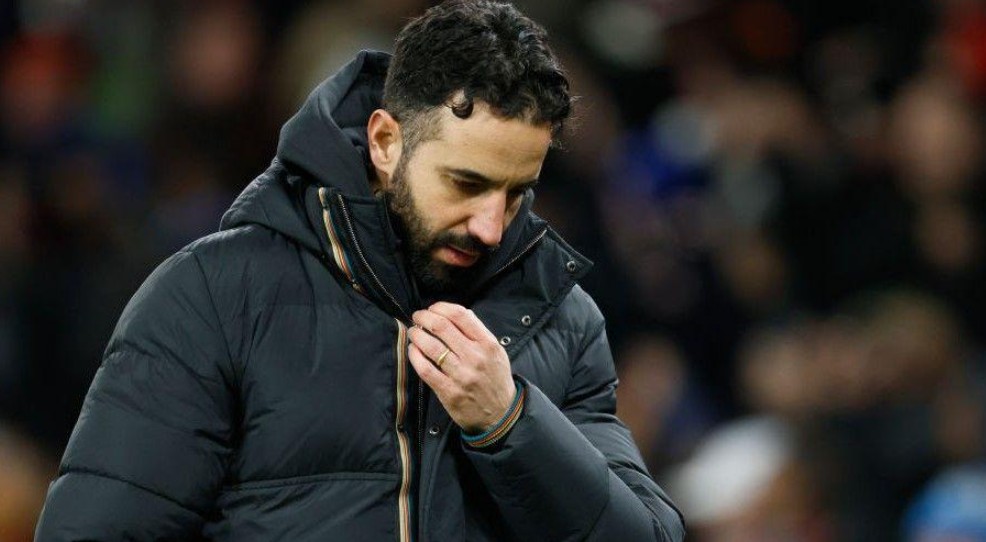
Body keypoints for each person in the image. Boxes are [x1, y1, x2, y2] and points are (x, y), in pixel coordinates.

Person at [34, 2, 685, 540]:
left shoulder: (561, 319)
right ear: (385, 142)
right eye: (466, 183)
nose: (492, 226)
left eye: (517, 192)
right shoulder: (214, 296)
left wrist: (511, 423)